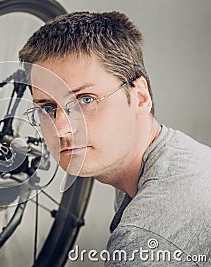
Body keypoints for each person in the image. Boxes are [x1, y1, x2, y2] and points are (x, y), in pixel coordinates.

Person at [19, 11, 211, 266]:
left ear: (140, 97)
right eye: (46, 108)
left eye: (85, 100)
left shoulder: (147, 237)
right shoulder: (172, 156)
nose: (61, 129)